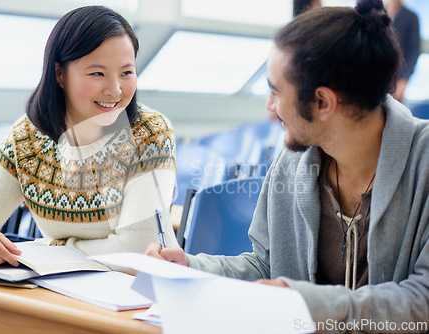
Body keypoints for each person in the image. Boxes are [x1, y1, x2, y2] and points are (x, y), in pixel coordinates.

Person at [147, 0, 429, 331]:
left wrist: (305, 303)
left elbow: (422, 302)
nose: (270, 107)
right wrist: (191, 267)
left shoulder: (422, 164)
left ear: (322, 102)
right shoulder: (292, 159)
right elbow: (267, 265)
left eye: (276, 92)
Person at [0, 5, 178, 268]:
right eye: (97, 73)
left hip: (136, 295)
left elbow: (137, 250)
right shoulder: (27, 138)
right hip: (61, 288)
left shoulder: (149, 133)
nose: (115, 89)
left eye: (126, 72)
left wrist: (49, 249)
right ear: (59, 74)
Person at [384, 0, 420, 102]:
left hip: (398, 78)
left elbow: (413, 51)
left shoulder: (411, 17)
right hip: (376, 77)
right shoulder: (376, 13)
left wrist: (404, 80)